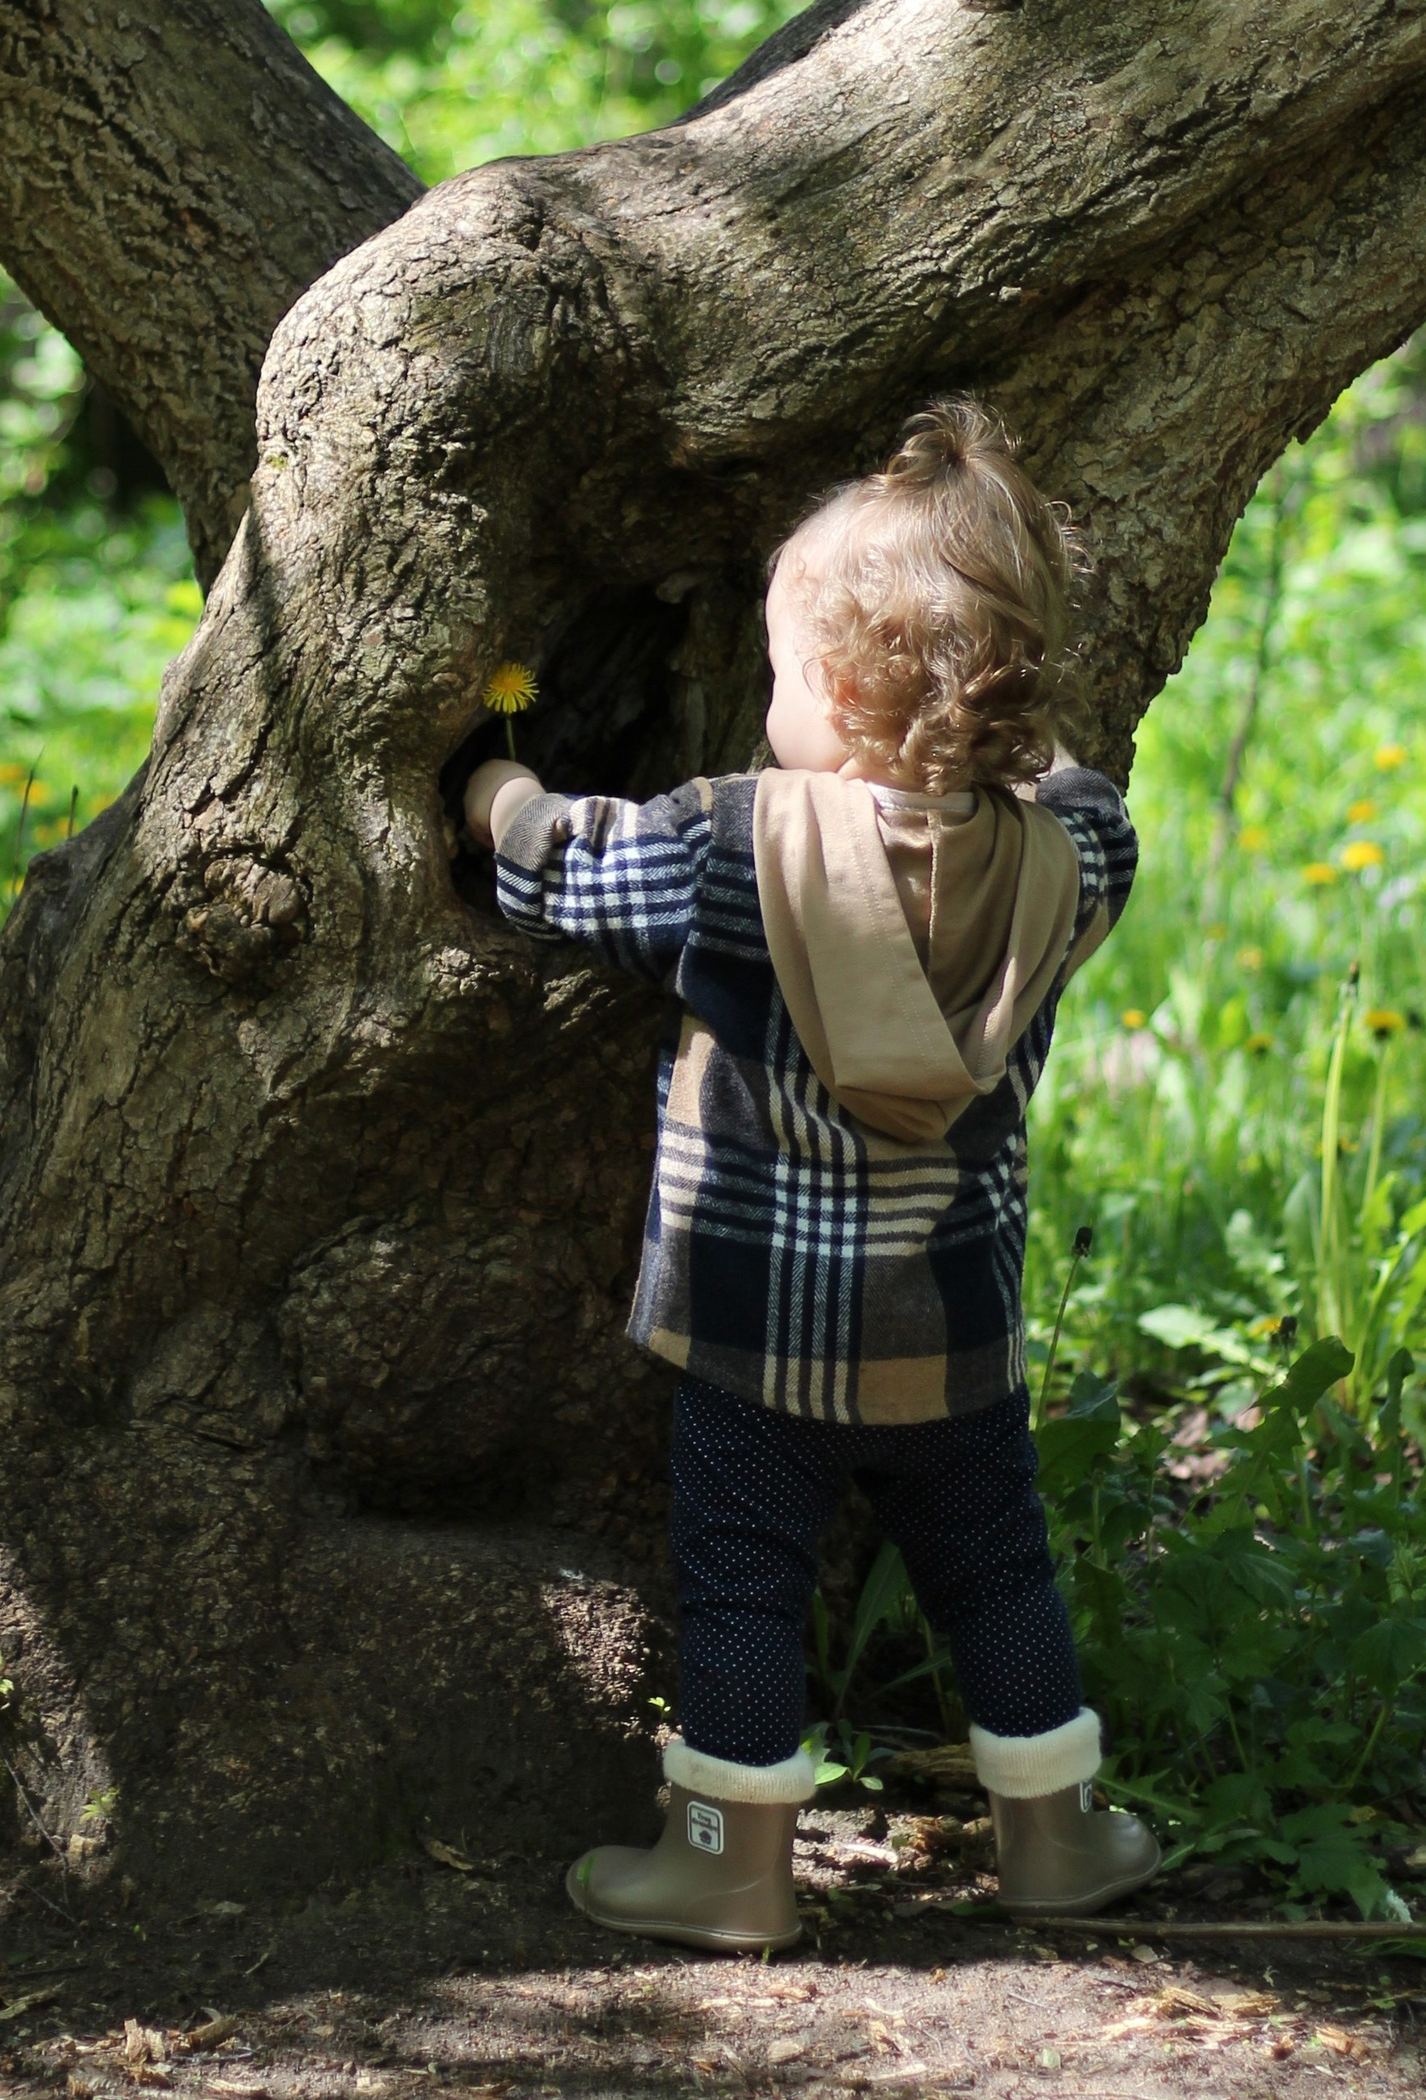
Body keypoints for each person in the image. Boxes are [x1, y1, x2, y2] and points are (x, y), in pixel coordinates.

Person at [462, 399, 1157, 1952]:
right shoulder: (1076, 858)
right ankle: (1057, 1839)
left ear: (833, 692)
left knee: (741, 1585)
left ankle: (730, 1862)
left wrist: (490, 794)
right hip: (954, 1341)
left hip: (757, 1337)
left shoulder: (728, 849)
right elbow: (1083, 790)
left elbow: (562, 869)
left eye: (781, 671)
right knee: (999, 1575)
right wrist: (987, 730)